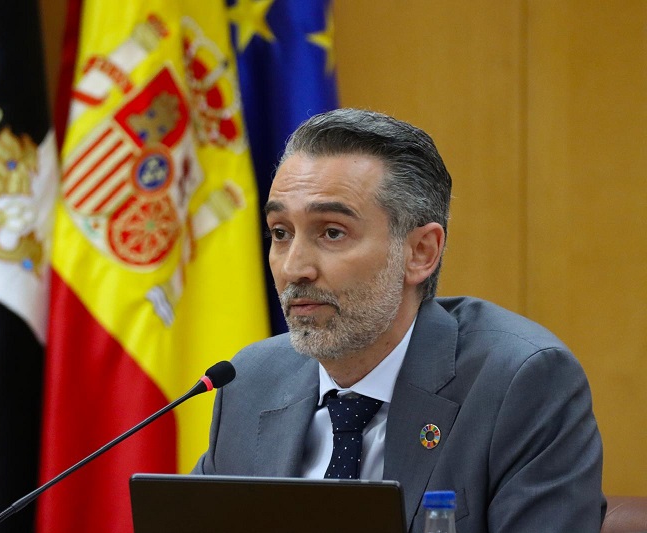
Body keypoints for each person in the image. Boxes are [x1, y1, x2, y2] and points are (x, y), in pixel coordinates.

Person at [192, 108, 605, 532]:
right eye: (280, 232)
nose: (294, 267)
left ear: (420, 252)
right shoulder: (250, 381)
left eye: (332, 232)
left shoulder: (522, 383)